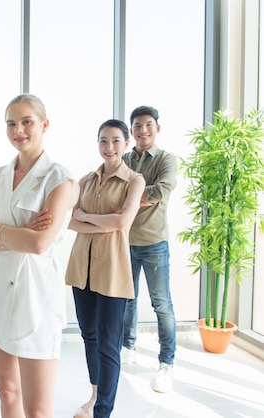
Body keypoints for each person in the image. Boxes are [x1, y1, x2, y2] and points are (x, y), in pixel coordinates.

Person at [0, 94, 78, 417]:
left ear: (44, 124)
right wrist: (17, 235)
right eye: (11, 123)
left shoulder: (59, 178)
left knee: (38, 410)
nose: (19, 130)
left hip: (34, 298)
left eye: (27, 121)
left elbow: (40, 244)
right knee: (7, 392)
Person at [65, 119, 145, 418]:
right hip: (81, 268)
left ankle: (103, 412)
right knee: (89, 335)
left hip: (112, 269)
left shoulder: (134, 181)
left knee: (109, 344)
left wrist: (88, 217)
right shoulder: (84, 180)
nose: (108, 147)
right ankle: (95, 396)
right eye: (103, 141)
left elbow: (123, 223)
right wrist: (103, 221)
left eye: (115, 141)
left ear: (126, 144)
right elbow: (68, 220)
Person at [121, 105, 178, 393]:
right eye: (137, 126)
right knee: (127, 300)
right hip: (125, 241)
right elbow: (113, 189)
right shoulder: (125, 157)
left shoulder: (167, 159)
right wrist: (133, 195)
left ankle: (166, 364)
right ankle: (127, 347)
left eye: (148, 125)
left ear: (157, 128)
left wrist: (130, 196)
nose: (143, 130)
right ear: (131, 131)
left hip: (154, 242)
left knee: (161, 304)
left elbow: (161, 191)